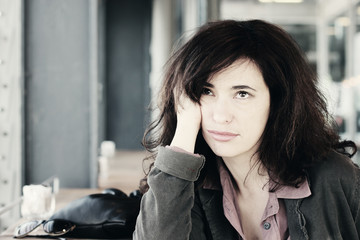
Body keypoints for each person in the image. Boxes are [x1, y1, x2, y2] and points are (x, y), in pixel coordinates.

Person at [133, 19, 360, 240]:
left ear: (278, 101)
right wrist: (184, 132)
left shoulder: (335, 178)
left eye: (242, 94)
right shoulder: (188, 187)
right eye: (206, 91)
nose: (221, 116)